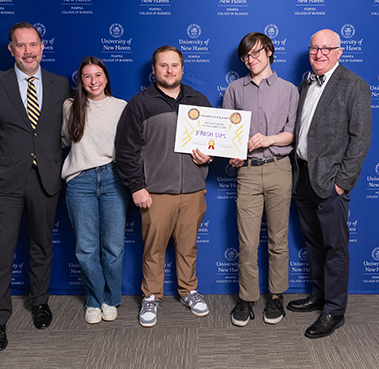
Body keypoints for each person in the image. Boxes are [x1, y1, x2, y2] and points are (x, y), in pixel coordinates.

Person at [0, 22, 70, 352]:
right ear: (11, 49)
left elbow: (70, 130)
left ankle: (40, 301)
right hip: (3, 183)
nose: (28, 51)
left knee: (42, 246)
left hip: (45, 180)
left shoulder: (60, 84)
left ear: (43, 48)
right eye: (21, 45)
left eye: (34, 44)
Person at [115, 45, 212, 327]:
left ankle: (189, 291)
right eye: (163, 66)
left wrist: (209, 154)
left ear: (182, 69)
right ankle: (151, 296)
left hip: (193, 189)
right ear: (154, 70)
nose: (169, 71)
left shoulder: (199, 100)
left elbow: (213, 142)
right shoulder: (140, 103)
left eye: (174, 65)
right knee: (154, 248)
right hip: (155, 192)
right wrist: (136, 187)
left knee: (187, 246)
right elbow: (126, 151)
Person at [287, 29, 371, 339]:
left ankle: (334, 310)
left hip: (330, 181)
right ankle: (319, 295)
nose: (319, 53)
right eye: (314, 48)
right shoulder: (305, 83)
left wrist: (342, 182)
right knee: (313, 243)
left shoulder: (354, 85)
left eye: (326, 48)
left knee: (335, 247)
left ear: (339, 52)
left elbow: (360, 139)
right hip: (304, 177)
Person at [223, 32, 299, 327]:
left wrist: (266, 139)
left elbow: (291, 133)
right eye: (245, 56)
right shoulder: (234, 89)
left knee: (279, 239)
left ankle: (277, 296)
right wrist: (234, 154)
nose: (250, 60)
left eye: (255, 54)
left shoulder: (289, 89)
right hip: (249, 172)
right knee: (247, 241)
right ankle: (247, 299)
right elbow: (230, 136)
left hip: (280, 168)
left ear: (269, 52)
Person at [61, 56, 129, 324]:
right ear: (80, 80)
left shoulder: (121, 106)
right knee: (86, 248)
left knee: (113, 247)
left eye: (98, 75)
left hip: (113, 179)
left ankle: (110, 299)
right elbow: (65, 140)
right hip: (80, 181)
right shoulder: (70, 106)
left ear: (106, 78)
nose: (93, 81)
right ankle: (93, 299)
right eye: (87, 76)